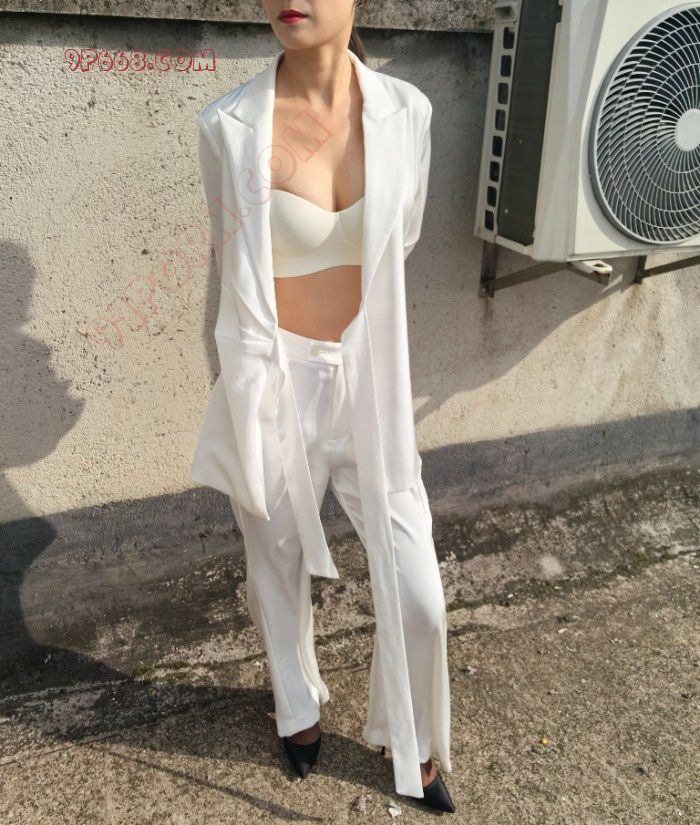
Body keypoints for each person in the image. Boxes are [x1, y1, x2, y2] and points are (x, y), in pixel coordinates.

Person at [191, 0, 454, 812]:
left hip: (371, 379)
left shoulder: (408, 113)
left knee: (417, 589)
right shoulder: (228, 125)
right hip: (277, 379)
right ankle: (296, 707)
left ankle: (411, 737)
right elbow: (232, 260)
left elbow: (400, 238)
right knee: (273, 560)